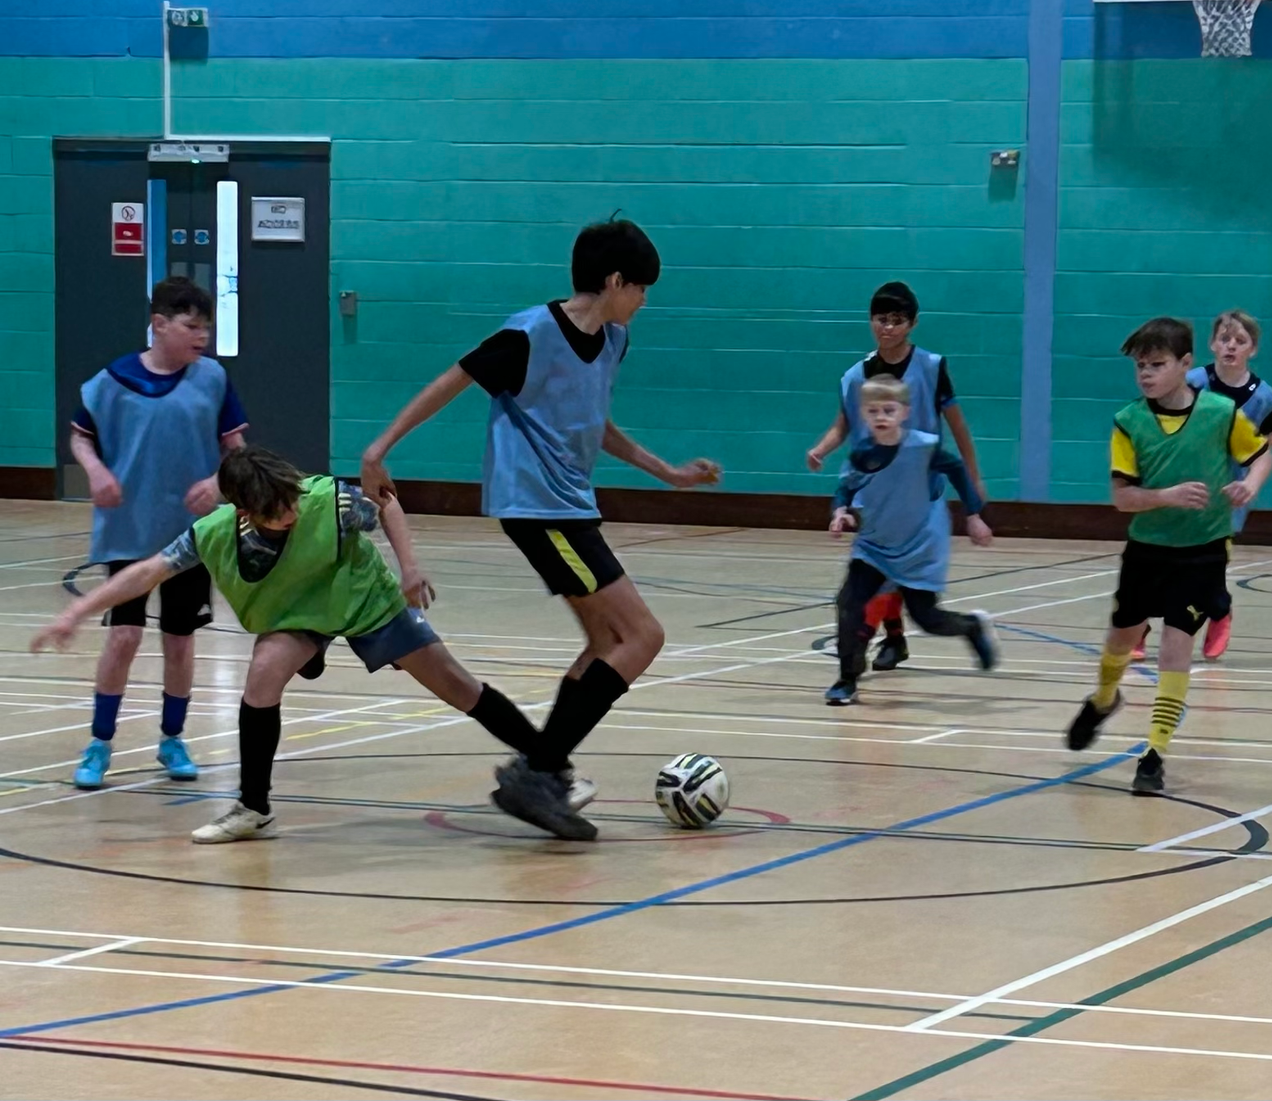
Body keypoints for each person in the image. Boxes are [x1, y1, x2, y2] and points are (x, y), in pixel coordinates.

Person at [358, 217, 721, 842]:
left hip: (571, 507)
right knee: (642, 636)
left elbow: (593, 421)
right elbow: (452, 382)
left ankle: (541, 771)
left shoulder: (612, 341)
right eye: (641, 288)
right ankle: (540, 770)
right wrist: (379, 449)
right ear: (613, 281)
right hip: (537, 508)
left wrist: (665, 472)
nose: (644, 300)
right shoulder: (529, 334)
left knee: (605, 642)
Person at [33, 448, 557, 842]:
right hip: (297, 615)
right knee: (261, 677)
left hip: (362, 600)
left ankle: (548, 764)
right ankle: (252, 809)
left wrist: (410, 570)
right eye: (273, 510)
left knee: (458, 686)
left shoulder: (328, 500)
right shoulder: (213, 532)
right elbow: (148, 571)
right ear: (243, 510)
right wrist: (77, 611)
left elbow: (388, 504)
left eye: (288, 502)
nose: (287, 514)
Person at [1064, 317, 1272, 796]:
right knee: (1120, 638)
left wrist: (1250, 483)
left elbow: (1262, 455)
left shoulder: (1221, 413)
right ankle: (1102, 700)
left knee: (1175, 648)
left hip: (1202, 552)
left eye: (1156, 364)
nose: (1146, 374)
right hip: (1147, 549)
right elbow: (1122, 498)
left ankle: (1154, 752)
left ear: (1185, 364)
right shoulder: (1129, 421)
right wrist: (1167, 496)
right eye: (1140, 366)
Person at [66, 276, 248, 790]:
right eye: (192, 326)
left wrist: (217, 482)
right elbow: (80, 437)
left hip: (191, 536)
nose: (202, 337)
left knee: (179, 642)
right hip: (129, 532)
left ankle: (173, 738)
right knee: (123, 637)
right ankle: (99, 743)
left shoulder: (212, 378)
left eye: (207, 328)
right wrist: (95, 471)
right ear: (159, 324)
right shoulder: (111, 381)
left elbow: (238, 448)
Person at [806, 280, 986, 674]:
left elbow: (958, 426)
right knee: (873, 575)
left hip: (921, 492)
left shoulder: (932, 367)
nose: (887, 327)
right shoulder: (855, 375)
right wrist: (821, 449)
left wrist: (974, 478)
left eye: (897, 320)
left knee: (902, 585)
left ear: (912, 323)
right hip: (874, 491)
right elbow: (843, 424)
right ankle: (874, 652)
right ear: (871, 321)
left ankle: (882, 642)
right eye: (881, 319)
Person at [824, 377, 997, 706]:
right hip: (874, 546)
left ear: (905, 412)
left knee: (929, 619)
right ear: (863, 414)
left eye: (889, 409)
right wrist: (840, 512)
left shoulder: (923, 447)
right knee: (848, 603)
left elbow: (958, 471)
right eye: (873, 410)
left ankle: (972, 626)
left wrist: (974, 515)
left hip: (919, 547)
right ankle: (847, 678)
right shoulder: (862, 454)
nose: (881, 416)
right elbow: (845, 487)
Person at [1180, 309, 1272, 660]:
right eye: (1225, 339)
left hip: (1229, 491)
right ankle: (1137, 626)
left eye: (1240, 341)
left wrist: (1249, 470)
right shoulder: (1192, 382)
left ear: (1252, 350)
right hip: (1183, 483)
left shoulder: (1264, 396)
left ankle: (1219, 612)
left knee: (1208, 565)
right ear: (1212, 344)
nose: (1231, 346)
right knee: (1161, 563)